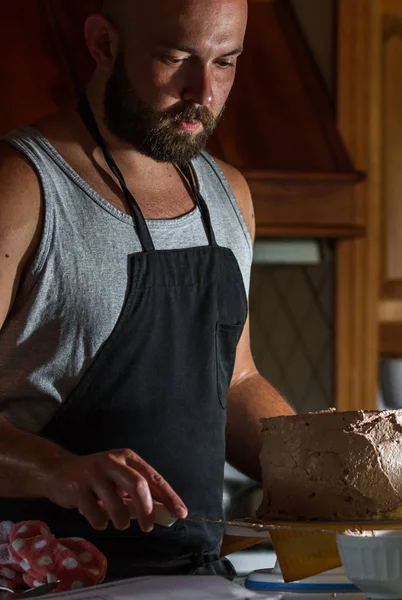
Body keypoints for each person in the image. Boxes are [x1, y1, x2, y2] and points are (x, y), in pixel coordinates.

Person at [0, 0, 294, 579]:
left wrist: (318, 466)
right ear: (104, 45)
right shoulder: (21, 186)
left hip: (193, 580)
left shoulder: (228, 192)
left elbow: (236, 381)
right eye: (175, 57)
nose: (202, 92)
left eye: (226, 62)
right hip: (45, 579)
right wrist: (55, 471)